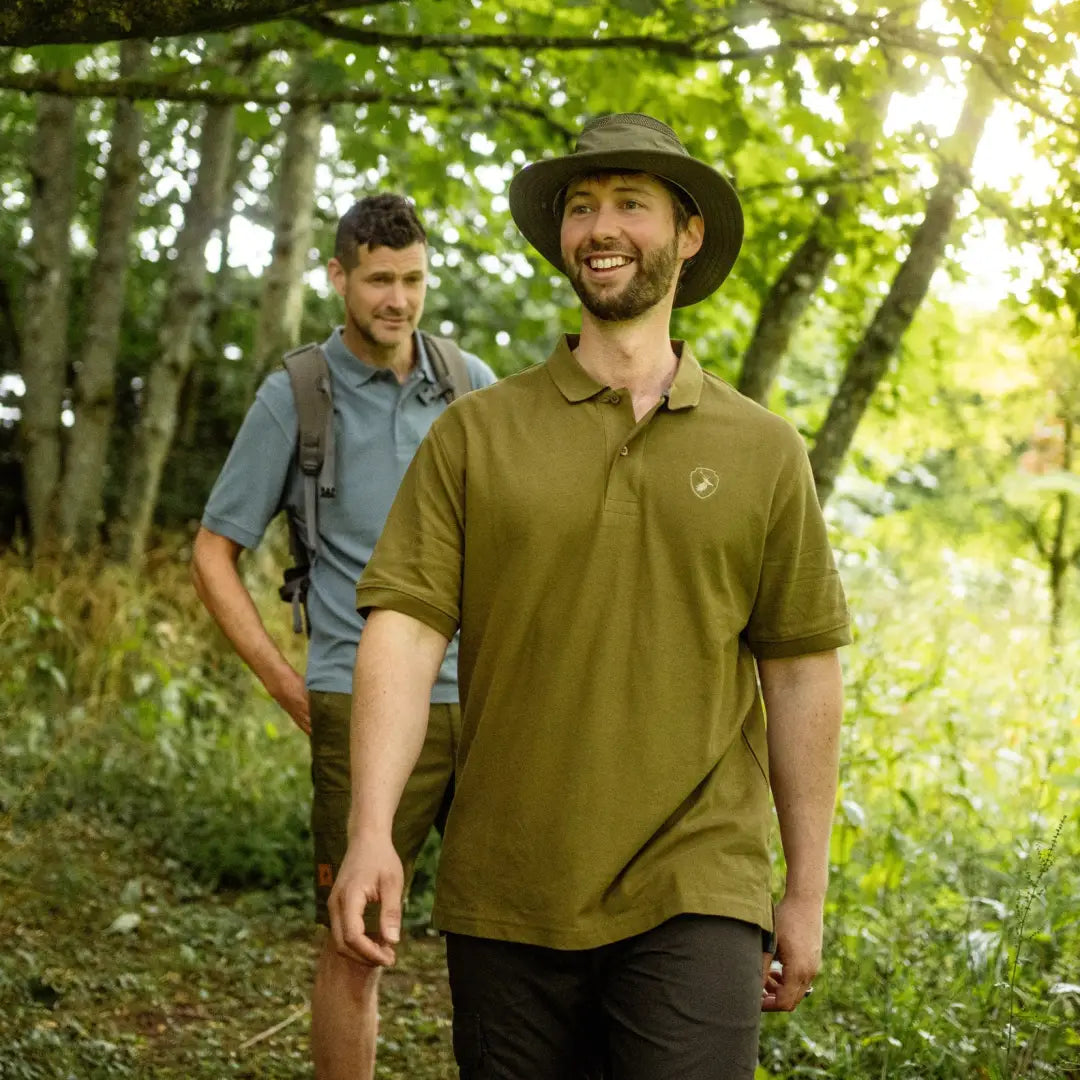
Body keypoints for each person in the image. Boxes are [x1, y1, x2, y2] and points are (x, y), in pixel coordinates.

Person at [330, 115, 850, 1079]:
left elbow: (800, 669)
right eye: (581, 207)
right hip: (510, 883)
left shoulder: (764, 449)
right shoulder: (475, 435)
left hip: (700, 880)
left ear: (688, 234)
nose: (600, 226)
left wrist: (806, 894)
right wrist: (372, 832)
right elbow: (402, 635)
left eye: (630, 204)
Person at [190, 192, 497, 1080]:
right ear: (338, 277)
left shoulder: (468, 382)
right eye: (378, 281)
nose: (397, 300)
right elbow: (213, 553)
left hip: (481, 702)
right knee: (356, 941)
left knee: (511, 938)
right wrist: (289, 684)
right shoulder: (296, 396)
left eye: (413, 280)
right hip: (356, 700)